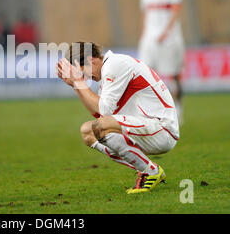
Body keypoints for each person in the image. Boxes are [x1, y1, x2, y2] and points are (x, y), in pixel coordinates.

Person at [56, 42, 179, 194]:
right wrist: (76, 86)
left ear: (91, 60)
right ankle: (147, 168)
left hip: (162, 128)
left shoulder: (115, 65)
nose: (86, 78)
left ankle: (151, 172)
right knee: (88, 132)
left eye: (83, 73)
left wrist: (79, 82)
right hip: (148, 127)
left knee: (99, 127)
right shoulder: (108, 71)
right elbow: (100, 115)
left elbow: (104, 113)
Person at [138, 0, 185, 124]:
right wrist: (144, 33)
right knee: (145, 71)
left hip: (170, 37)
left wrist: (167, 31)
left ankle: (178, 108)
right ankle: (151, 110)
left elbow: (175, 9)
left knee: (173, 73)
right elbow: (145, 12)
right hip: (150, 37)